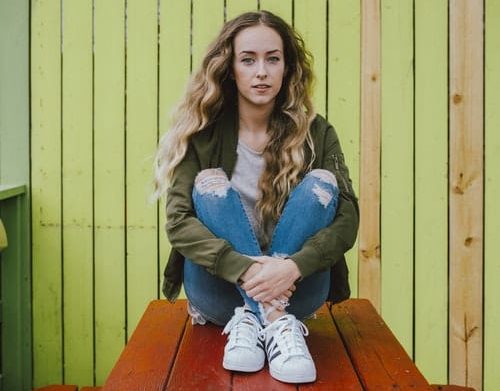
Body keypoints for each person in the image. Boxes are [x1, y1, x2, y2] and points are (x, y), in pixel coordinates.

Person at [153, 10, 359, 384]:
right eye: (248, 59)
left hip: (297, 288)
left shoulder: (316, 132)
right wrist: (247, 270)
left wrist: (292, 267)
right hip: (218, 290)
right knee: (209, 185)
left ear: (287, 67)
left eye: (272, 59)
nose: (261, 71)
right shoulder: (203, 134)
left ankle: (271, 319)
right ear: (230, 68)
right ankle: (269, 319)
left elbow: (347, 218)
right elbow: (179, 222)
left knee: (322, 183)